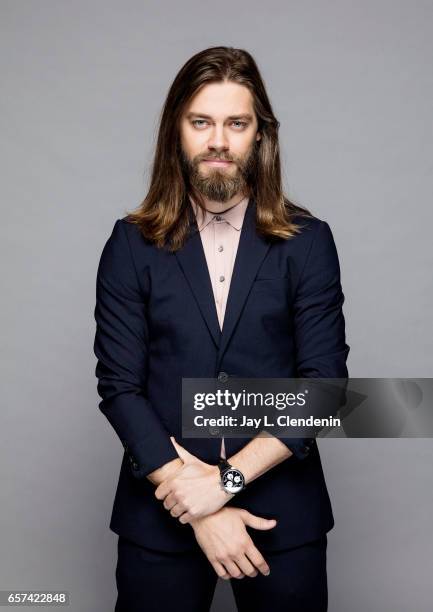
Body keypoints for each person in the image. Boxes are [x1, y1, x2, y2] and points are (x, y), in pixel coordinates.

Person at [93, 45, 350, 612]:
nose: (218, 141)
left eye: (237, 123)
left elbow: (324, 389)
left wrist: (223, 483)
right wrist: (199, 504)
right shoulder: (130, 245)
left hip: (285, 520)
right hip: (160, 521)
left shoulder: (308, 243)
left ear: (260, 135)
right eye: (201, 122)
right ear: (176, 132)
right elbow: (120, 388)